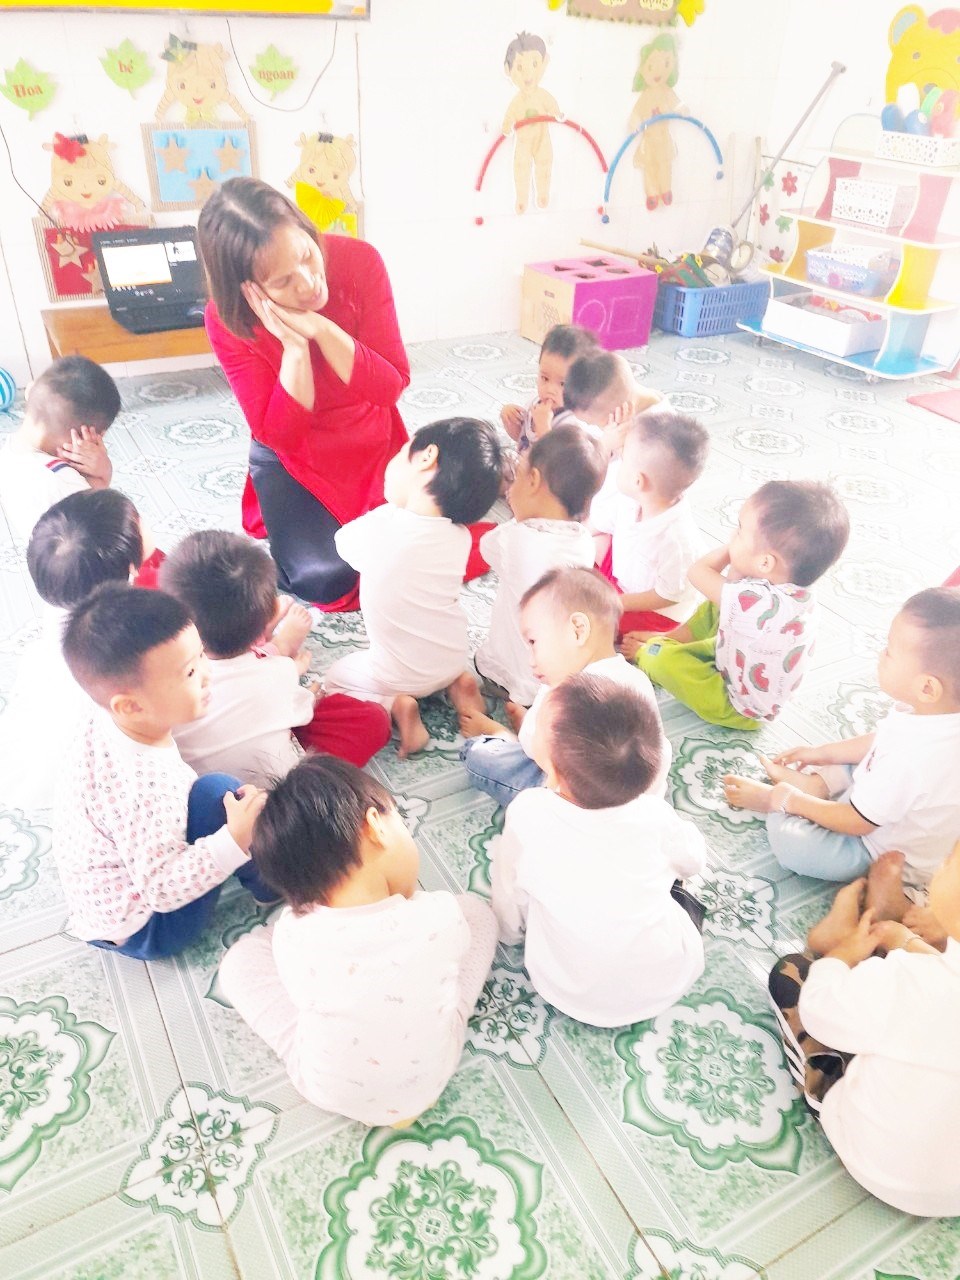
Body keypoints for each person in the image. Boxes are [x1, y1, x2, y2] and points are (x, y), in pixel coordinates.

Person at [218, 755, 498, 1127]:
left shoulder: (291, 935)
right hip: (431, 1077)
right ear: (376, 826)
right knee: (478, 914)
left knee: (239, 962)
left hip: (331, 1091)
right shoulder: (441, 914)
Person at [198, 177, 410, 610]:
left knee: (412, 552)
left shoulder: (359, 260)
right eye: (283, 281)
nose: (310, 283)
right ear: (247, 289)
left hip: (371, 438)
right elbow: (281, 435)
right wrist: (295, 350)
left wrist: (321, 329)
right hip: (294, 459)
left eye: (307, 255)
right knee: (325, 578)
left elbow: (389, 386)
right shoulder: (226, 319)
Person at [54, 584, 273, 959]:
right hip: (149, 928)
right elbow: (161, 890)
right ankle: (274, 883)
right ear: (131, 706)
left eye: (201, 654)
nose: (207, 675)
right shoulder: (144, 789)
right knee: (221, 794)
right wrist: (235, 839)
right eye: (190, 672)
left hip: (104, 909)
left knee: (209, 794)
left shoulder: (105, 713)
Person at [490, 673, 705, 1026]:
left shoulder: (528, 813)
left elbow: (509, 891)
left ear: (553, 774)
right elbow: (693, 861)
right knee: (674, 889)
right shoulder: (653, 814)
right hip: (663, 981)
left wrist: (509, 932)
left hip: (564, 988)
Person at [767, 842, 960, 1217]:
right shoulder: (920, 980)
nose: (942, 863)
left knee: (791, 977)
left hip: (878, 1163)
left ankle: (833, 943)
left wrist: (842, 956)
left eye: (951, 859)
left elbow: (819, 1012)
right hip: (952, 1196)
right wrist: (907, 943)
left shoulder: (909, 981)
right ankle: (887, 935)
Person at [723, 587, 960, 891]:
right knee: (857, 758)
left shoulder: (912, 759)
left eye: (889, 651)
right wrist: (823, 753)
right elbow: (882, 740)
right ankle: (818, 785)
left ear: (927, 688)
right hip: (887, 803)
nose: (880, 655)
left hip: (878, 850)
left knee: (795, 848)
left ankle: (794, 795)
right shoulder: (938, 715)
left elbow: (856, 822)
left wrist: (786, 800)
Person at [323, 418, 505, 758]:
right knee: (435, 643)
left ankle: (397, 705)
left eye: (402, 450)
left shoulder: (383, 526)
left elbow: (342, 543)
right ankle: (459, 684)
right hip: (451, 656)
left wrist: (386, 514)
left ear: (425, 457)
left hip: (396, 673)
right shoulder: (460, 537)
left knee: (334, 677)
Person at [160, 531, 391, 789]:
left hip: (211, 799)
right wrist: (308, 694)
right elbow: (300, 716)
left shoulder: (161, 674)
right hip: (286, 795)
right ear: (267, 617)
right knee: (372, 721)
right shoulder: (278, 671)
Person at [624, 480, 850, 729]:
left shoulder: (758, 603)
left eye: (740, 530)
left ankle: (645, 653)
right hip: (738, 660)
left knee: (661, 661)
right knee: (718, 603)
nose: (732, 536)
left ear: (765, 563)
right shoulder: (798, 591)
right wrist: (743, 552)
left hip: (736, 706)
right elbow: (733, 580)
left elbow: (697, 572)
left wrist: (732, 550)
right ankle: (672, 638)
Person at [460, 566, 670, 808]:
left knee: (478, 755)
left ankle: (503, 736)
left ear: (578, 630)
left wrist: (529, 734)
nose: (531, 660)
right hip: (639, 804)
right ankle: (531, 725)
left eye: (533, 642)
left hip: (571, 803)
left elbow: (536, 754)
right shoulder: (636, 679)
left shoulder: (564, 693)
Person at [0, 489, 145, 811]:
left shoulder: (62, 599)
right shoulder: (130, 634)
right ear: (129, 566)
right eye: (139, 524)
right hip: (107, 766)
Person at [474, 426, 606, 707]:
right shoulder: (582, 540)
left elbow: (486, 548)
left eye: (517, 475)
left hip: (516, 670)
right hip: (557, 676)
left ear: (533, 480)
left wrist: (518, 518)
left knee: (494, 658)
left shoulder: (516, 540)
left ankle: (505, 691)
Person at [593, 408, 709, 637]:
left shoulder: (677, 541)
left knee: (589, 618)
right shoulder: (634, 500)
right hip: (624, 576)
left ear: (638, 481)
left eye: (623, 459)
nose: (618, 462)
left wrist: (619, 602)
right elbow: (600, 523)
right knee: (592, 544)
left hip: (653, 609)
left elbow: (667, 596)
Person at [0, 356, 120, 546]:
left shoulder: (9, 452)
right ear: (82, 438)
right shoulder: (62, 481)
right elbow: (103, 532)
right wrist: (102, 477)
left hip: (44, 556)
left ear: (30, 390)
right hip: (80, 560)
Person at [500, 324, 599, 453]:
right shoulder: (535, 403)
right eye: (545, 378)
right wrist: (510, 421)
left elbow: (555, 460)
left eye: (562, 384)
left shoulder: (572, 425)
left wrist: (543, 427)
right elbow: (523, 440)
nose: (550, 389)